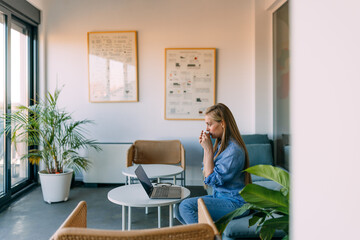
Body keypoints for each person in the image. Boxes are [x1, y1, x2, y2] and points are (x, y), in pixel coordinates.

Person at [176, 103, 251, 224]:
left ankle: (205, 235)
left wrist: (208, 150)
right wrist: (207, 150)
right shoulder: (221, 144)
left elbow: (211, 180)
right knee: (178, 208)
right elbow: (206, 172)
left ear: (222, 123)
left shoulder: (234, 151)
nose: (207, 129)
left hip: (236, 203)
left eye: (209, 124)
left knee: (186, 206)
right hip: (221, 197)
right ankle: (203, 234)